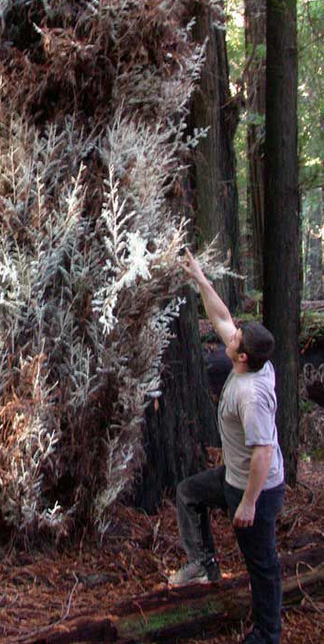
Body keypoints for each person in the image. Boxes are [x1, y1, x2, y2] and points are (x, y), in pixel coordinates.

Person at [168, 250, 285, 644]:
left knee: (262, 564)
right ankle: (203, 565)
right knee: (188, 494)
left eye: (235, 339)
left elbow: (263, 452)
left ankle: (268, 635)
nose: (229, 335)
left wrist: (249, 503)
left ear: (242, 356)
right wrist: (201, 279)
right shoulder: (252, 362)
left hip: (257, 488)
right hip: (235, 477)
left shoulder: (251, 394)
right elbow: (221, 317)